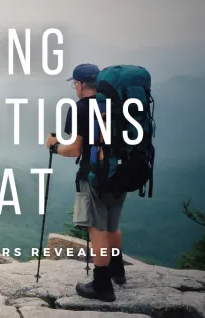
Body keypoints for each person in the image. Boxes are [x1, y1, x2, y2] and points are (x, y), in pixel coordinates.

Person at [45, 63, 126, 302]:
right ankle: (117, 272)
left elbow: (75, 149)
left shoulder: (80, 108)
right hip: (121, 172)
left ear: (80, 85)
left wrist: (54, 146)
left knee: (97, 227)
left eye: (74, 84)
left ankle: (102, 285)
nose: (74, 88)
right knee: (112, 224)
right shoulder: (116, 104)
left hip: (95, 176)